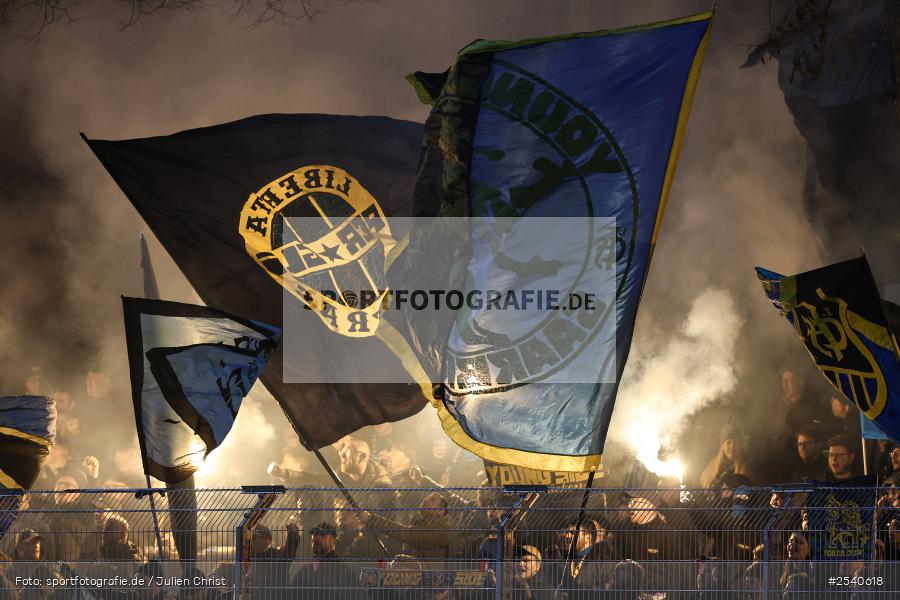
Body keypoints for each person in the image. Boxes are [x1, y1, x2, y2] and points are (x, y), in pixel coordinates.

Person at [291, 522, 355, 599]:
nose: (316, 538)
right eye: (314, 535)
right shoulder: (304, 572)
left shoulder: (345, 573)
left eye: (321, 534)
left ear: (333, 540)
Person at [700, 423, 753, 488]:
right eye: (728, 443)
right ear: (723, 446)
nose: (732, 446)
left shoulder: (745, 470)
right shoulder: (712, 469)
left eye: (736, 443)